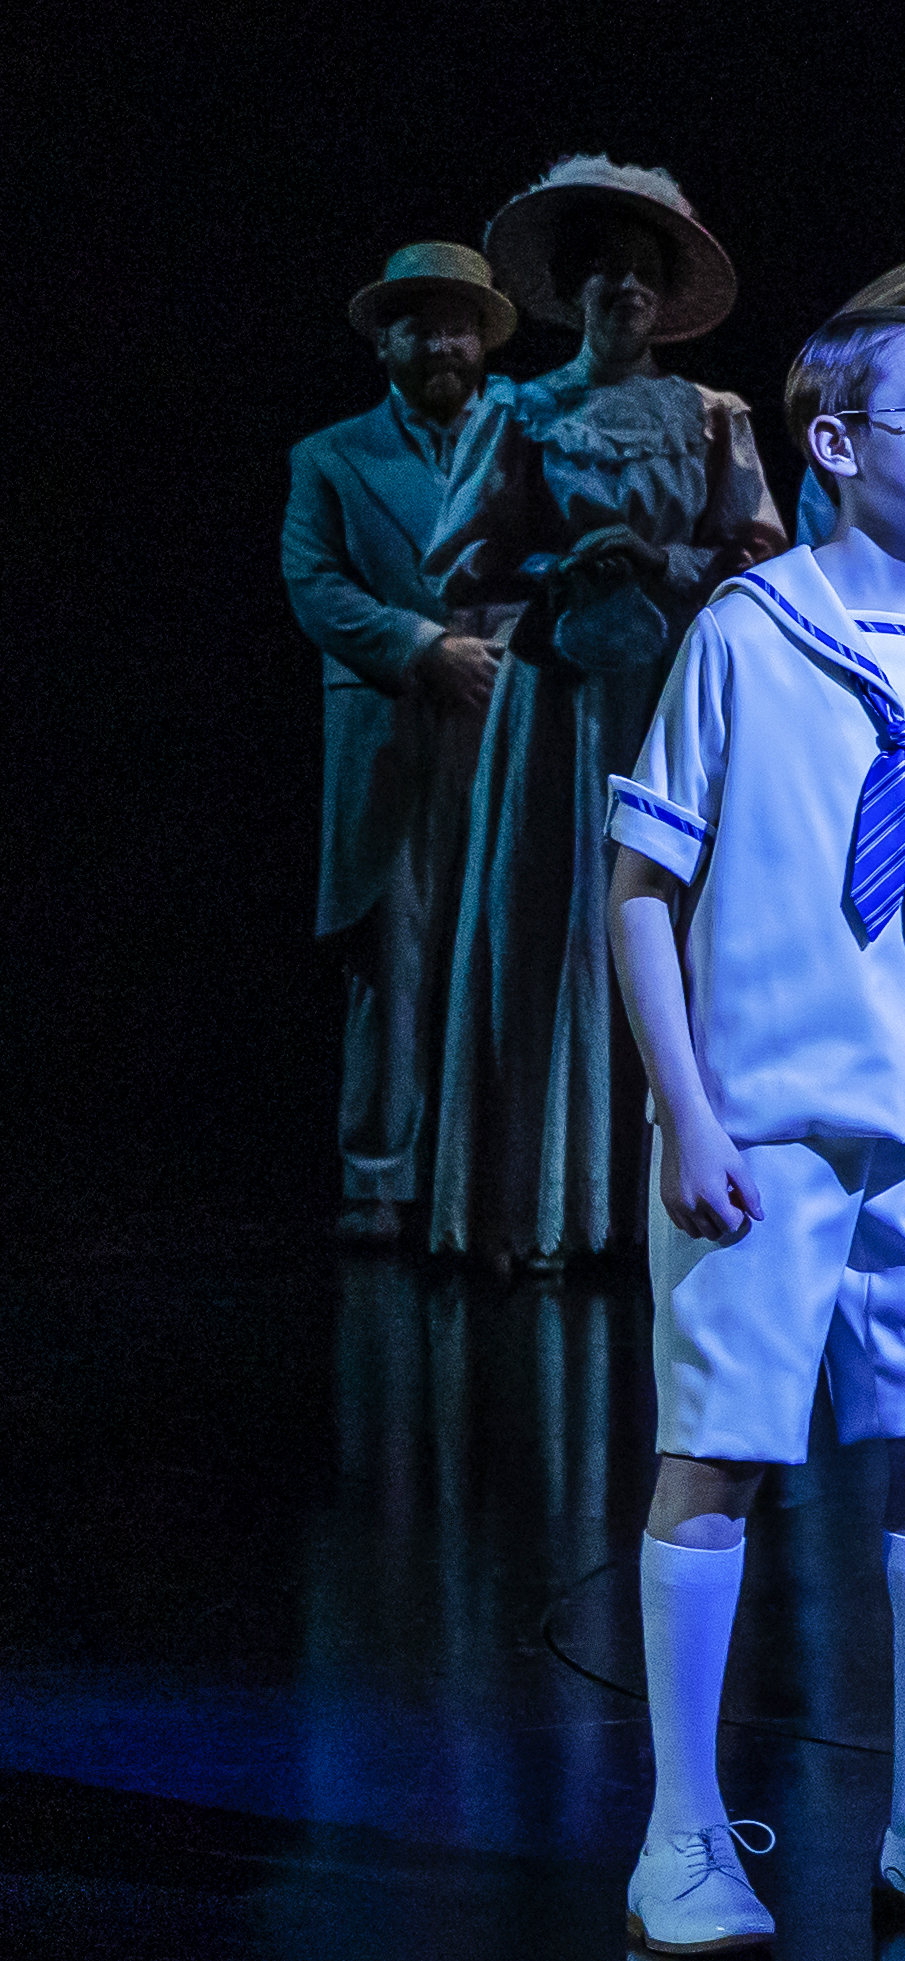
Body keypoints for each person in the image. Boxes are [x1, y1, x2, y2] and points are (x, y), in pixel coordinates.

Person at [605, 293, 905, 1955]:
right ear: (833, 443)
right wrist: (689, 1114)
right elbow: (639, 890)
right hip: (769, 1125)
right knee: (725, 1458)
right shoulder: (750, 632)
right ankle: (680, 1833)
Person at [424, 160, 784, 1269]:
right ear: (574, 294)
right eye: (606, 277)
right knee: (562, 923)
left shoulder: (713, 415)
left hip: (679, 698)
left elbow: (762, 554)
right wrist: (561, 559)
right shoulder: (524, 411)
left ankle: (675, 1190)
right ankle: (552, 1206)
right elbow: (458, 563)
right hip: (565, 710)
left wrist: (662, 555)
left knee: (680, 920)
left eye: (642, 277)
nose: (625, 293)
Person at [288, 239, 519, 1240]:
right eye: (420, 321)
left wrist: (504, 650)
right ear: (384, 339)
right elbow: (319, 586)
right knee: (397, 954)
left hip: (507, 720)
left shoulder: (524, 436)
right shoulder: (332, 456)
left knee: (507, 946)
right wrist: (426, 646)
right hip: (392, 728)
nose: (443, 341)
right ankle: (381, 1172)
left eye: (460, 321)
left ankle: (495, 1177)